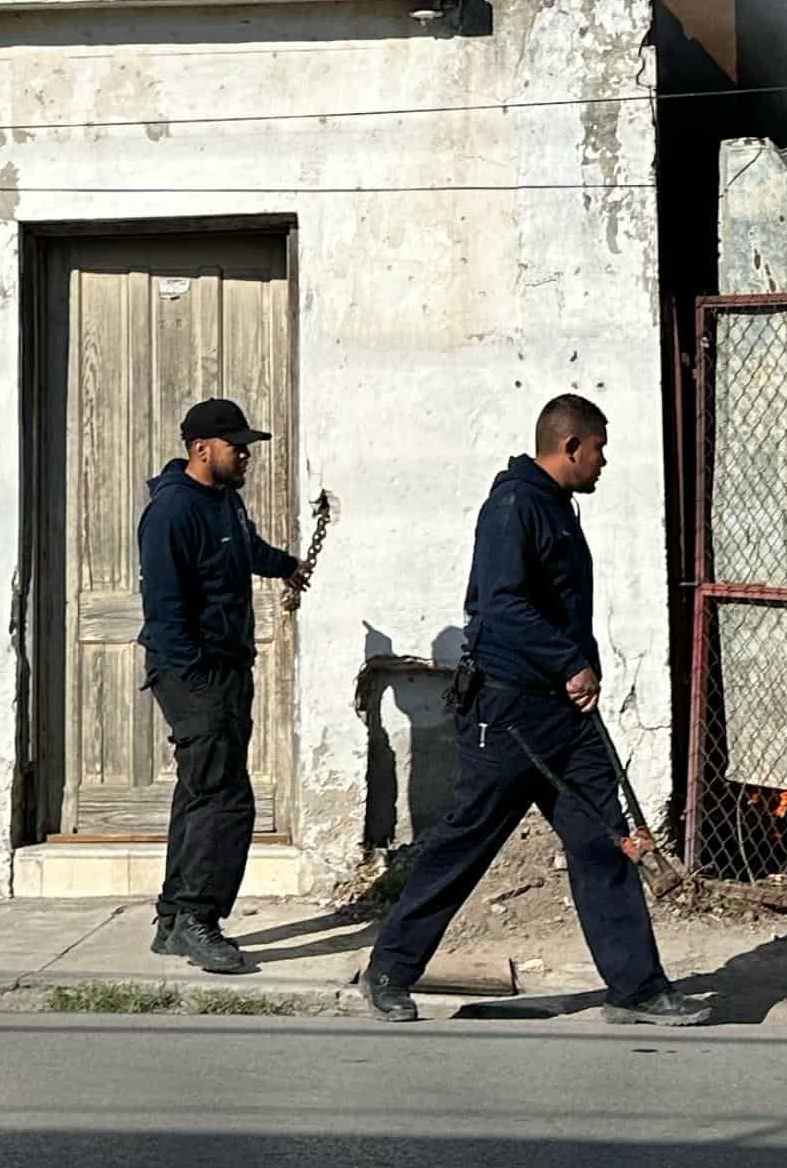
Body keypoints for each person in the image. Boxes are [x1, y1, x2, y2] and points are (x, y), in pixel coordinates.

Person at [360, 394, 705, 1028]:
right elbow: (499, 607)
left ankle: (636, 988)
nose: (604, 462)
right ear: (570, 446)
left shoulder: (556, 507)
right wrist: (567, 662)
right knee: (464, 844)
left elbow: (559, 607)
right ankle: (388, 971)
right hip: (509, 713)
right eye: (599, 449)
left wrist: (580, 669)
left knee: (602, 843)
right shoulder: (514, 506)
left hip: (565, 719)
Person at [135, 394, 308, 976]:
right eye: (237, 447)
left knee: (201, 791)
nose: (245, 457)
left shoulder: (225, 503)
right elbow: (164, 606)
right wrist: (196, 677)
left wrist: (285, 564)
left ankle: (171, 919)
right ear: (200, 448)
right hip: (195, 674)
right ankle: (198, 920)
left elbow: (242, 553)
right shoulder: (171, 512)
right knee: (227, 798)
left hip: (228, 668)